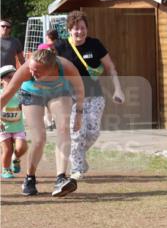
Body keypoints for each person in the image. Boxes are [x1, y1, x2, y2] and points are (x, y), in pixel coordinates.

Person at [0, 49, 85, 197]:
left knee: (64, 129)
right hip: (31, 94)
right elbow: (6, 95)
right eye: (31, 69)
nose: (32, 73)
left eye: (37, 71)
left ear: (51, 69)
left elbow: (80, 89)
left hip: (59, 93)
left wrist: (78, 115)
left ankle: (60, 178)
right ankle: (29, 178)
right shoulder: (26, 70)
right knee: (39, 138)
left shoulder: (66, 67)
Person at [55, 10, 124, 180]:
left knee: (93, 133)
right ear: (69, 30)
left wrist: (118, 88)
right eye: (76, 28)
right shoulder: (60, 47)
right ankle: (77, 169)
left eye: (83, 28)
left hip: (95, 96)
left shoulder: (95, 44)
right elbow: (47, 64)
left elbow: (110, 67)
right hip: (71, 98)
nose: (80, 32)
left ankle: (77, 155)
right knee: (77, 134)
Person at [0, 65, 29, 179]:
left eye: (14, 77)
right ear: (1, 80)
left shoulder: (20, 93)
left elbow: (24, 106)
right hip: (3, 127)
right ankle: (6, 170)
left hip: (18, 126)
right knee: (7, 149)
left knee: (21, 147)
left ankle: (15, 159)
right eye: (8, 77)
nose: (12, 80)